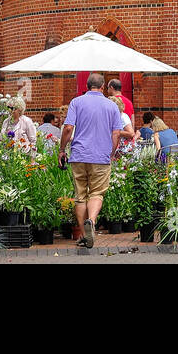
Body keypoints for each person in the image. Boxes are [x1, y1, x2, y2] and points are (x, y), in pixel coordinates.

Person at [60, 73, 132, 249]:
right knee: (97, 193)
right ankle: (91, 221)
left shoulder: (76, 102)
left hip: (79, 155)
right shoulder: (111, 106)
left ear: (87, 86)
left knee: (80, 196)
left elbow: (68, 128)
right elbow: (116, 133)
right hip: (101, 156)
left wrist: (62, 149)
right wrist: (112, 152)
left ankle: (85, 236)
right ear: (102, 87)